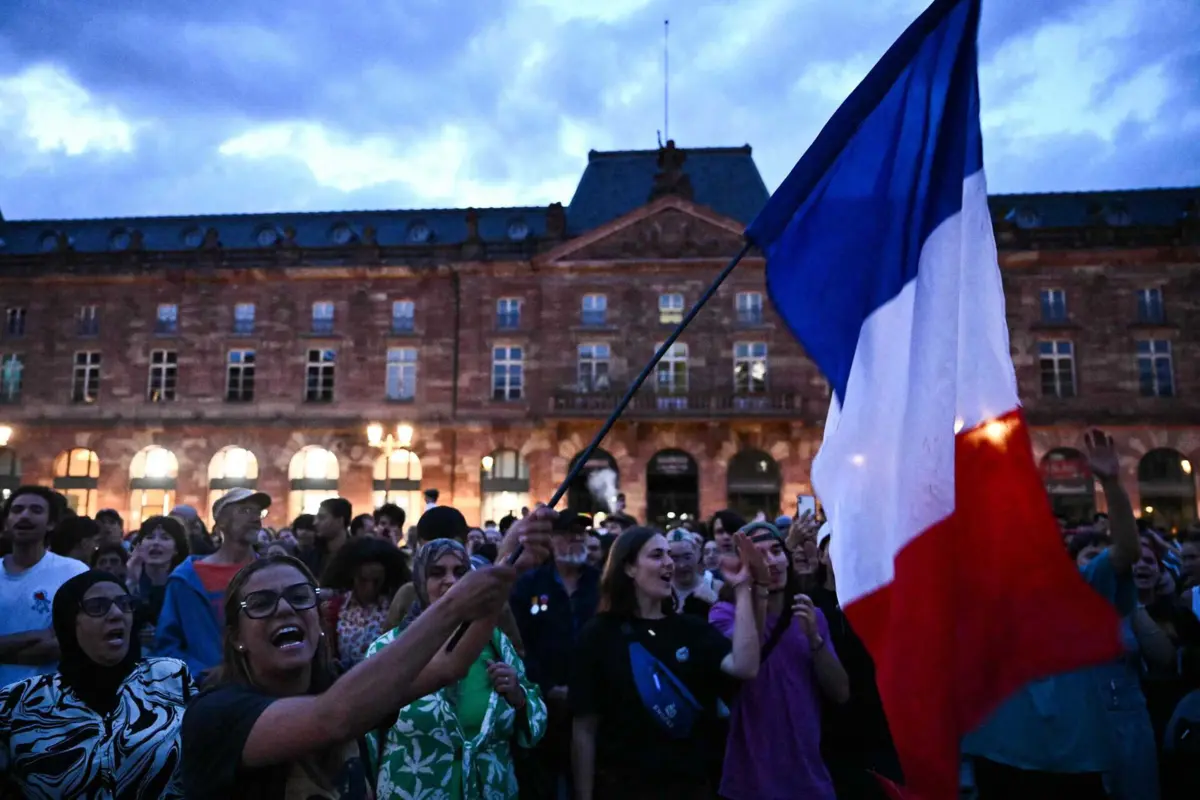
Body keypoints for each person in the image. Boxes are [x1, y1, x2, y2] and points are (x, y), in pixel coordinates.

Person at [180, 515, 551, 799]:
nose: (284, 610)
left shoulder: (340, 681)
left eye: (300, 597)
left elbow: (449, 665)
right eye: (260, 603)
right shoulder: (216, 713)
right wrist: (453, 603)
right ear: (236, 637)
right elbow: (334, 717)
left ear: (319, 618)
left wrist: (508, 566)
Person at [570, 527, 763, 799]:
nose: (669, 563)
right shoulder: (598, 635)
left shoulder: (691, 629)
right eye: (657, 555)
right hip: (622, 788)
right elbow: (584, 727)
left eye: (670, 555)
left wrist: (743, 589)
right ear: (629, 568)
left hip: (689, 786)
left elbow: (745, 666)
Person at [368, 538, 548, 799]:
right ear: (419, 582)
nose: (451, 581)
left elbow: (536, 720)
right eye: (437, 573)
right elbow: (362, 738)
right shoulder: (387, 650)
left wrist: (519, 697)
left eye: (460, 572)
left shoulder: (497, 644)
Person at [0, 571, 196, 798]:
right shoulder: (18, 702)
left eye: (124, 604)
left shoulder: (170, 676)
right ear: (69, 622)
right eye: (97, 606)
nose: (116, 614)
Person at [713, 521, 850, 800]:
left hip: (808, 779)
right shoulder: (724, 614)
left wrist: (815, 641)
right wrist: (757, 592)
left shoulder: (812, 615)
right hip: (749, 782)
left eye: (776, 551)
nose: (771, 562)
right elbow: (747, 664)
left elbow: (840, 692)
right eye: (759, 556)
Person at [511, 511, 601, 799]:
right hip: (542, 706)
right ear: (550, 539)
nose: (576, 537)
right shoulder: (530, 584)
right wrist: (547, 687)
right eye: (567, 532)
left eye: (581, 532)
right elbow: (519, 643)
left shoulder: (602, 585)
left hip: (594, 706)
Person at [156, 488, 268, 678]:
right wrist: (200, 673)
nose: (255, 518)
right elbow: (167, 645)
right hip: (207, 693)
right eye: (245, 511)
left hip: (265, 689)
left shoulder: (270, 575)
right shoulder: (187, 579)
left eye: (257, 512)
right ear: (221, 522)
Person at [0, 486, 89, 688]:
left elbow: (70, 644)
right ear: (6, 522)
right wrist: (36, 635)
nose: (25, 516)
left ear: (51, 523)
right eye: (17, 509)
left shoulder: (73, 572)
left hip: (49, 703)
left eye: (36, 510)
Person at [320, 536, 410, 669]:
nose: (369, 588)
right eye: (363, 580)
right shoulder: (334, 609)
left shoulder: (396, 605)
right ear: (351, 576)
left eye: (376, 581)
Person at [125, 515, 190, 646]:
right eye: (149, 537)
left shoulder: (184, 584)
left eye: (165, 538)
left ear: (176, 549)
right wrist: (131, 581)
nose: (156, 543)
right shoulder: (129, 579)